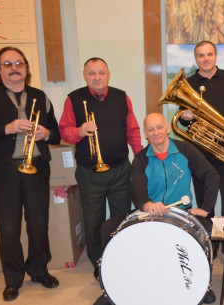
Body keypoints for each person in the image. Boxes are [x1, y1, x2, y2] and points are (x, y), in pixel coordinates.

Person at [0, 46, 61, 302]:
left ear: (26, 68)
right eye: (7, 64)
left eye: (19, 63)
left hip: (37, 167)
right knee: (8, 228)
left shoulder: (40, 96)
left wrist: (46, 134)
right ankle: (13, 279)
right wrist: (5, 128)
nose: (14, 68)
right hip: (2, 170)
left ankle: (39, 269)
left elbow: (56, 132)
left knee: (39, 224)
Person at [93, 113, 220, 305]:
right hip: (147, 212)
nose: (156, 132)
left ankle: (203, 284)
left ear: (167, 128)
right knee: (107, 227)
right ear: (145, 134)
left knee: (209, 231)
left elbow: (211, 174)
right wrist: (147, 204)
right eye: (150, 129)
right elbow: (137, 189)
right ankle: (110, 285)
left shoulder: (186, 149)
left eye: (159, 127)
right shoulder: (140, 159)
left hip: (181, 213)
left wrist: (206, 208)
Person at [58, 57, 143, 280]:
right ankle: (99, 260)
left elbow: (132, 130)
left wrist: (140, 157)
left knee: (121, 217)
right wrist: (78, 131)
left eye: (101, 73)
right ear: (85, 75)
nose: (97, 77)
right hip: (89, 172)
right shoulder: (73, 99)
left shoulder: (121, 97)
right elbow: (63, 131)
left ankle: (121, 256)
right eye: (92, 73)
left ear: (108, 74)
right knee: (93, 220)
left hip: (119, 169)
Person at [179, 40, 224, 273]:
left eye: (209, 54)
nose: (206, 58)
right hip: (200, 154)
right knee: (205, 204)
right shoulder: (189, 83)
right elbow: (181, 120)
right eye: (201, 55)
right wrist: (185, 117)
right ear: (196, 58)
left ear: (216, 56)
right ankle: (209, 245)